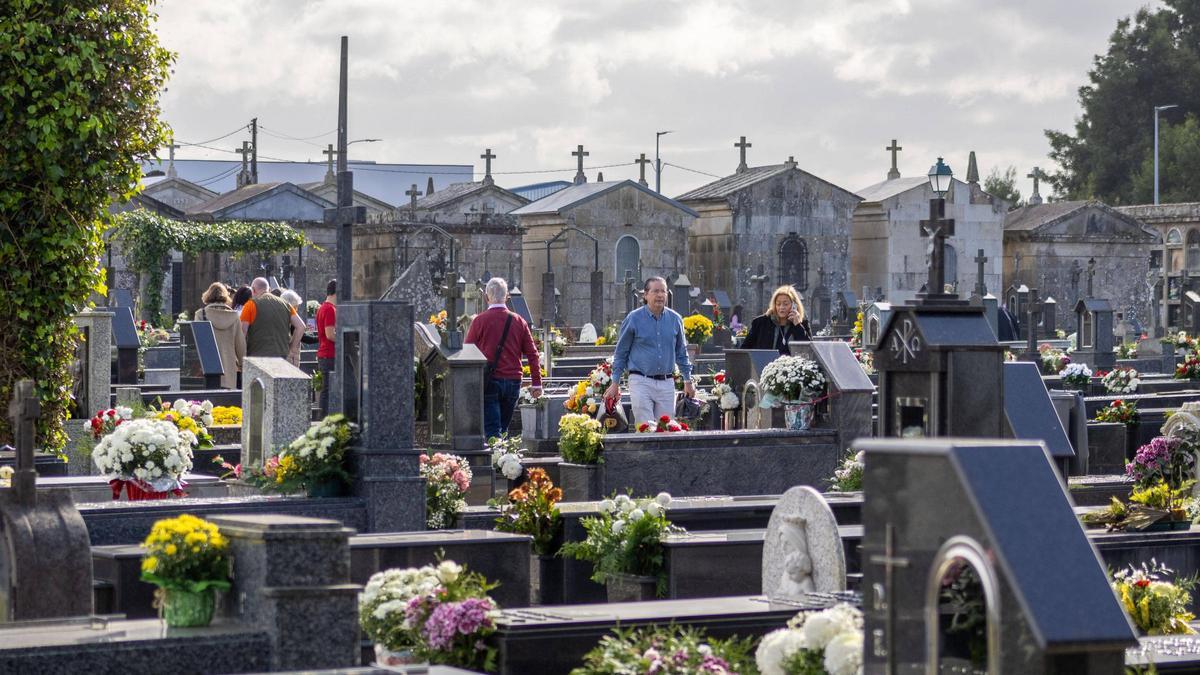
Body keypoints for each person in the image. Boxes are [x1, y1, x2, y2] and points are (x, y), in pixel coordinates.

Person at [606, 277, 695, 424]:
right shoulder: (633, 319)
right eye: (655, 291)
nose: (660, 295)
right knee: (645, 427)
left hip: (666, 382)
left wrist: (688, 380)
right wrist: (615, 383)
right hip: (641, 381)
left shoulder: (675, 319)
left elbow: (681, 353)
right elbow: (621, 353)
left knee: (667, 429)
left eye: (663, 291)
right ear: (645, 295)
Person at [465, 277, 542, 439]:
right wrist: (536, 383)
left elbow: (467, 352)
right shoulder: (519, 321)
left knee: (493, 432)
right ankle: (504, 460)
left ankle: (496, 462)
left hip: (490, 381)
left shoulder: (479, 321)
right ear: (507, 297)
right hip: (514, 381)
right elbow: (533, 354)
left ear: (487, 297)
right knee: (503, 429)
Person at [193, 282, 245, 389]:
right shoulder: (234, 316)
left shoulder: (201, 314)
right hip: (229, 368)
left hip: (206, 369)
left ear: (207, 295)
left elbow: (196, 342)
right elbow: (240, 346)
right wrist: (242, 365)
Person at [240, 277, 305, 361]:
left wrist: (241, 355)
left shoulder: (250, 305)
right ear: (269, 289)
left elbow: (243, 332)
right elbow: (301, 326)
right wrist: (292, 348)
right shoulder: (286, 304)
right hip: (282, 356)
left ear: (253, 290)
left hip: (257, 356)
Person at [742, 285, 811, 354]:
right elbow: (744, 349)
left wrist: (797, 326)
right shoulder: (760, 323)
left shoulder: (802, 324)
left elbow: (809, 351)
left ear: (794, 306)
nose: (781, 307)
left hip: (791, 364)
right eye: (778, 304)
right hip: (765, 363)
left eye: (785, 304)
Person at [315, 279, 337, 417]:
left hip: (325, 353)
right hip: (330, 354)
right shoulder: (329, 309)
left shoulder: (323, 307)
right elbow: (330, 334)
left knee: (326, 389)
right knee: (327, 390)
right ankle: (323, 419)